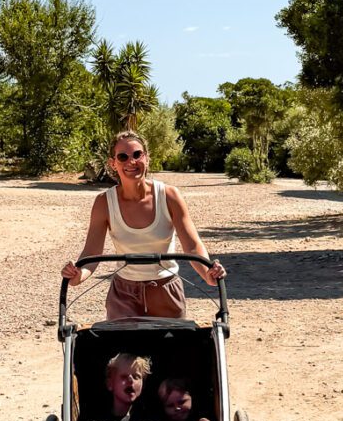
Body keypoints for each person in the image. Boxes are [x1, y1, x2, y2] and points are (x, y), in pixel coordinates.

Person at [61, 131, 227, 319]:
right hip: (124, 293)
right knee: (124, 347)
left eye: (137, 155)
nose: (131, 162)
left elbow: (192, 245)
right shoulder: (104, 203)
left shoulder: (169, 196)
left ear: (147, 158)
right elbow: (92, 252)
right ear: (113, 163)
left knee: (170, 347)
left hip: (165, 289)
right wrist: (78, 275)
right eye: (123, 157)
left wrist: (208, 274)